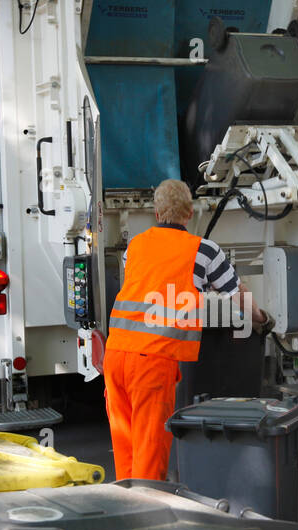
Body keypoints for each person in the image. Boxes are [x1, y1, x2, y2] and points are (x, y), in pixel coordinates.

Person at [105, 179, 268, 480]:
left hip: (115, 356)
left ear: (157, 213)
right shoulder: (203, 251)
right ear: (190, 213)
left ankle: (125, 510)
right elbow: (238, 294)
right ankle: (149, 515)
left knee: (126, 446)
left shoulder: (135, 246)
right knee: (150, 451)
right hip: (152, 361)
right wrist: (260, 318)